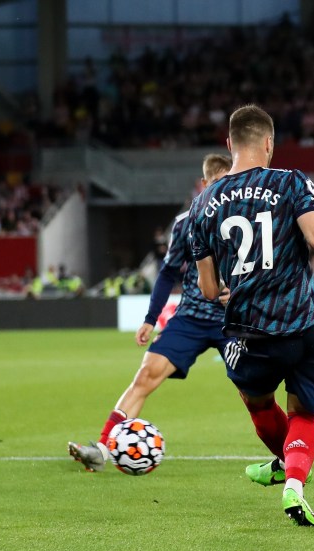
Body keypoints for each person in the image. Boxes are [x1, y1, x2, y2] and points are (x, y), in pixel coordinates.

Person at [189, 104, 314, 528]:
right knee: (303, 414)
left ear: (229, 143)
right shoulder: (291, 182)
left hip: (253, 330)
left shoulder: (204, 203)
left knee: (256, 400)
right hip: (310, 321)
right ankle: (293, 481)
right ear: (269, 144)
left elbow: (208, 289)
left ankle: (283, 463)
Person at [68, 153, 233, 470]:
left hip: (235, 320)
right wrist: (149, 319)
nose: (220, 191)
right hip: (191, 319)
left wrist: (241, 295)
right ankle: (102, 450)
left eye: (226, 184)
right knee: (144, 376)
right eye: (215, 184)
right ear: (204, 185)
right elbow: (168, 273)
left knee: (256, 391)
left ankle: (288, 455)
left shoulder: (248, 218)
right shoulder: (186, 223)